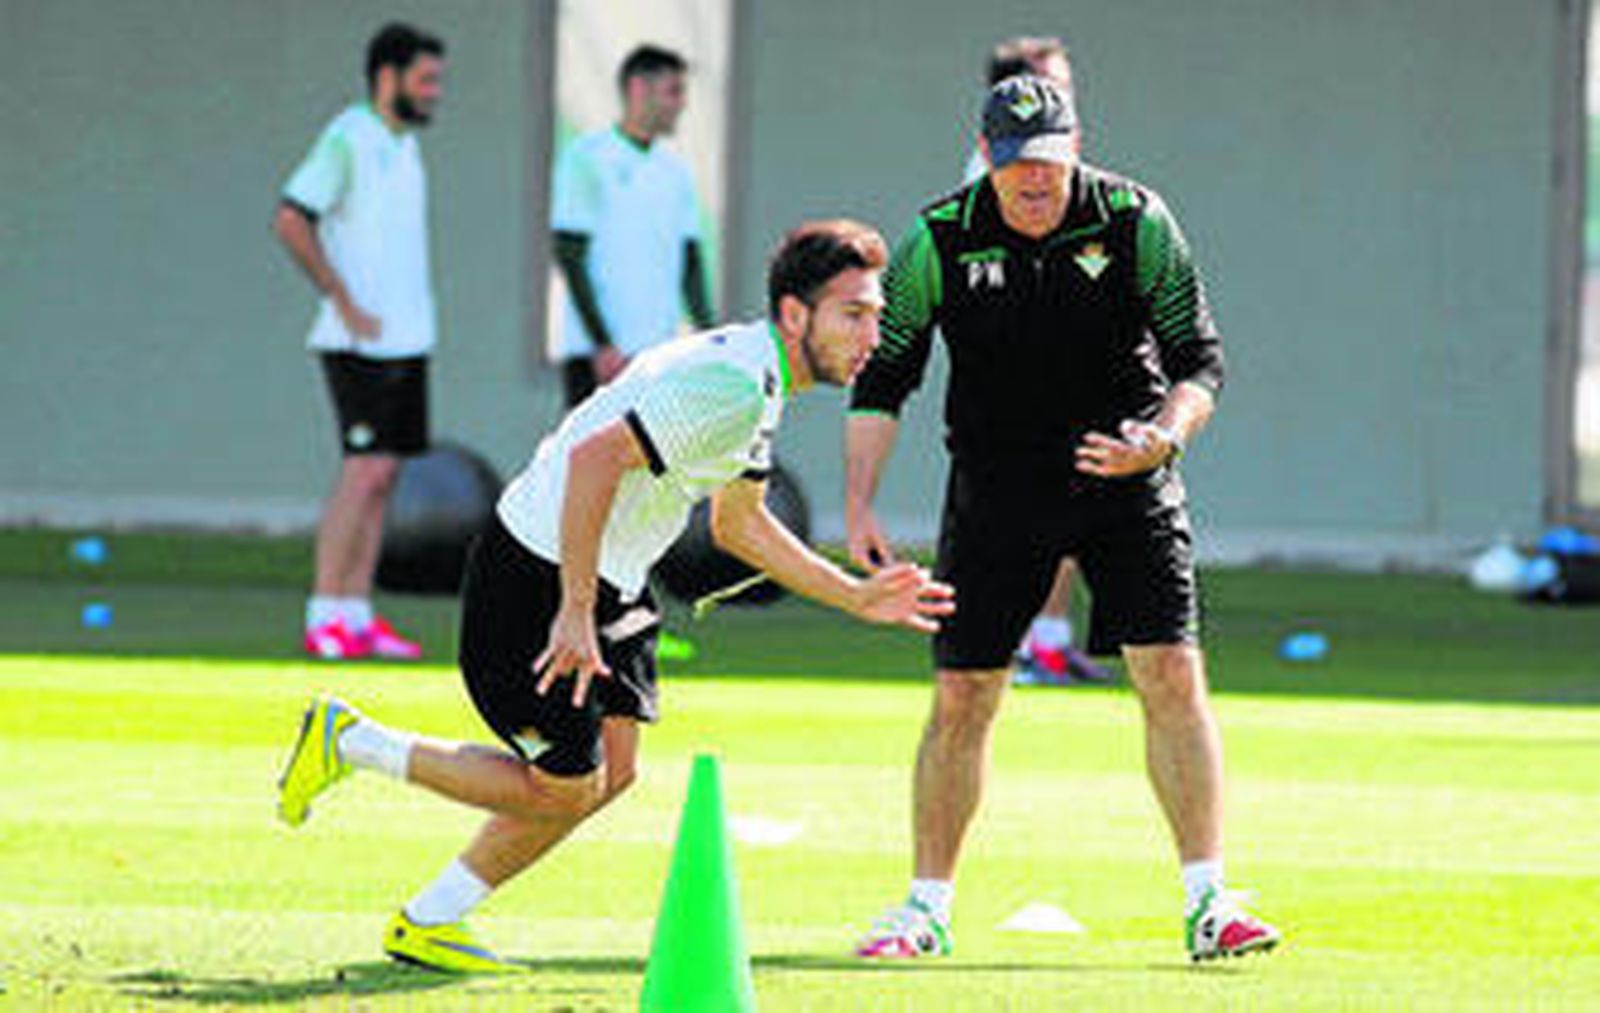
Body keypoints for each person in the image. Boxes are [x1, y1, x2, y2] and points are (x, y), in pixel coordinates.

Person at [276, 220, 955, 973]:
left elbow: (739, 524)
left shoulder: (758, 379)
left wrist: (857, 597)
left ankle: (430, 919)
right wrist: (572, 609)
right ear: (796, 316)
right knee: (565, 787)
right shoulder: (730, 385)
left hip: (610, 579)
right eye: (853, 314)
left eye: (875, 314)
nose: (872, 333)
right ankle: (350, 742)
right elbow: (595, 461)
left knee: (615, 770)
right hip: (538, 578)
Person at [845, 75, 1281, 962]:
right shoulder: (939, 236)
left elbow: (1202, 359)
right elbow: (884, 374)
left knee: (1170, 675)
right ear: (987, 158)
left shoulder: (1135, 220)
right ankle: (924, 909)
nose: (1032, 184)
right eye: (1014, 169)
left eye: (1046, 164)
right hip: (997, 490)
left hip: (1128, 481)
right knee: (965, 692)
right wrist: (856, 505)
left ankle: (1210, 903)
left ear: (1075, 149)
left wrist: (1162, 439)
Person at [273, 22, 445, 661]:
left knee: (385, 475)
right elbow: (292, 219)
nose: (433, 92)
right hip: (355, 341)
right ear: (388, 76)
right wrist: (341, 298)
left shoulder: (406, 148)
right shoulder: (348, 137)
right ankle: (324, 611)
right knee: (362, 470)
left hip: (408, 338)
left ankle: (356, 613)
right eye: (425, 80)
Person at [964, 37, 1110, 687]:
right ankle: (1017, 644)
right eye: (1054, 84)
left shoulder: (1058, 171)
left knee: (1075, 510)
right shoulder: (994, 177)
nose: (1068, 99)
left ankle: (1048, 639)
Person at [550, 44, 715, 409]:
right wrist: (602, 343)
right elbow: (569, 254)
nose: (682, 103)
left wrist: (710, 339)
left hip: (657, 354)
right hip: (598, 356)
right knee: (591, 464)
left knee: (651, 464)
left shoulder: (676, 172)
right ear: (639, 88)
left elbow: (690, 263)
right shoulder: (586, 158)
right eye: (674, 91)